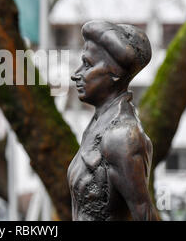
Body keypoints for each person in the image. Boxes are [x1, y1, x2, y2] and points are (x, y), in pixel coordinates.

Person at [68, 20, 159, 221]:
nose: (76, 75)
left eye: (87, 65)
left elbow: (145, 214)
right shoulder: (98, 126)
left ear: (115, 73)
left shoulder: (122, 137)